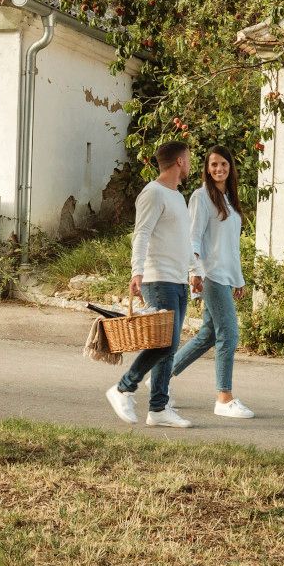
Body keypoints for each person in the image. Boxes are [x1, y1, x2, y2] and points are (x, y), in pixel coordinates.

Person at [106, 139, 196, 426]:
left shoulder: (177, 197)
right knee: (166, 344)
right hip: (158, 280)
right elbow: (141, 234)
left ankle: (158, 408)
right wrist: (137, 271)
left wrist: (194, 270)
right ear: (180, 161)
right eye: (189, 158)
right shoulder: (153, 194)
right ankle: (123, 388)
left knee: (169, 347)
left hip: (178, 281)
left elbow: (183, 240)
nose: (191, 163)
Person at [168, 146, 251, 420]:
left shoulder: (229, 199)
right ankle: (224, 398)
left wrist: (238, 279)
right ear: (206, 167)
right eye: (213, 164)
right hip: (210, 275)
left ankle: (162, 375)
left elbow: (232, 246)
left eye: (223, 164)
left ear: (230, 167)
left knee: (208, 336)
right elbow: (192, 237)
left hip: (226, 277)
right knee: (229, 333)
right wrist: (194, 271)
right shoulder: (201, 197)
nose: (219, 169)